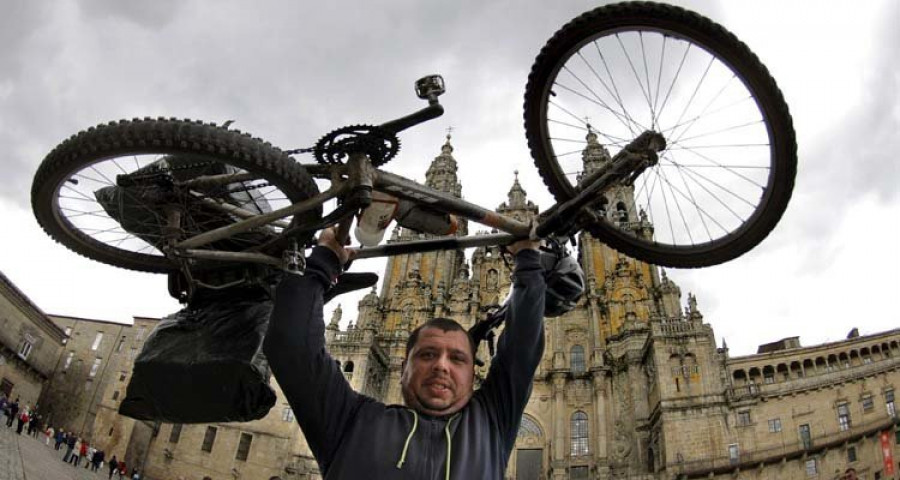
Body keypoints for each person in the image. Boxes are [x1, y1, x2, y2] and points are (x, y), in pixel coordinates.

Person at [264, 227, 548, 479]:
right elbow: (291, 346)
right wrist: (322, 261)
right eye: (427, 355)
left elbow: (522, 348)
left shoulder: (490, 424)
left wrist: (527, 260)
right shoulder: (352, 422)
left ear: (474, 372)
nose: (442, 366)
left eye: (458, 358)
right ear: (403, 367)